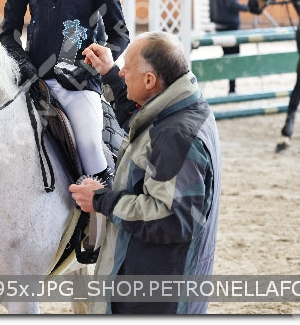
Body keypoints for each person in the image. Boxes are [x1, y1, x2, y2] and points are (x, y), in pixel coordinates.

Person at [70, 32, 222, 314]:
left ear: (150, 81)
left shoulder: (176, 136)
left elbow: (169, 217)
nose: (123, 70)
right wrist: (111, 74)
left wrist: (101, 200)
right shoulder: (182, 108)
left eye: (127, 67)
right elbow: (145, 133)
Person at [0, 0, 130, 187]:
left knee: (88, 146)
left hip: (79, 85)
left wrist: (91, 67)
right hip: (35, 82)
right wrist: (22, 63)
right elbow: (8, 32)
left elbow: (120, 33)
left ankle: (100, 215)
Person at [209, 0, 248, 94]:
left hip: (219, 24)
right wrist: (248, 7)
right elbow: (231, 4)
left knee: (227, 57)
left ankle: (231, 88)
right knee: (233, 60)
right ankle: (232, 90)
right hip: (229, 26)